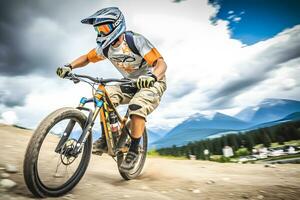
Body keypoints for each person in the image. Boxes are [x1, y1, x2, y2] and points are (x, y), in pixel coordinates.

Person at [56, 7, 167, 172]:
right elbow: (87, 58)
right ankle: (108, 137)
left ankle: (134, 150)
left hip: (152, 81)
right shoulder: (105, 48)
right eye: (98, 29)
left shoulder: (135, 41)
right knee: (102, 94)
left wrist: (153, 77)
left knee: (136, 107)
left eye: (104, 28)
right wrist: (69, 66)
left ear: (117, 25)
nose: (100, 33)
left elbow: (161, 63)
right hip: (129, 82)